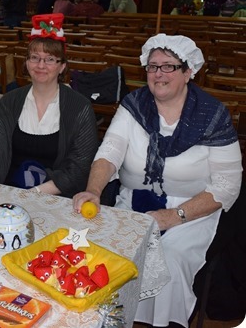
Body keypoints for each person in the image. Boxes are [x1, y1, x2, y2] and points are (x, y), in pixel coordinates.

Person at [72, 34, 242, 328]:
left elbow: (227, 185)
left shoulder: (213, 115)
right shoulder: (134, 105)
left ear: (188, 72)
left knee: (170, 259)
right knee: (103, 246)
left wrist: (173, 216)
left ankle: (162, 323)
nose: (159, 74)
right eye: (152, 67)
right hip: (133, 201)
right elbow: (109, 153)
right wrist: (94, 190)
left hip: (191, 211)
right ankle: (106, 319)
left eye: (168, 66)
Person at [0, 13, 99, 198]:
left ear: (62, 66)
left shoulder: (80, 107)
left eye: (50, 59)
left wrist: (35, 193)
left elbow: (79, 167)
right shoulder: (10, 101)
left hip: (56, 196)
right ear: (26, 62)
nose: (41, 65)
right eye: (34, 57)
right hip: (10, 191)